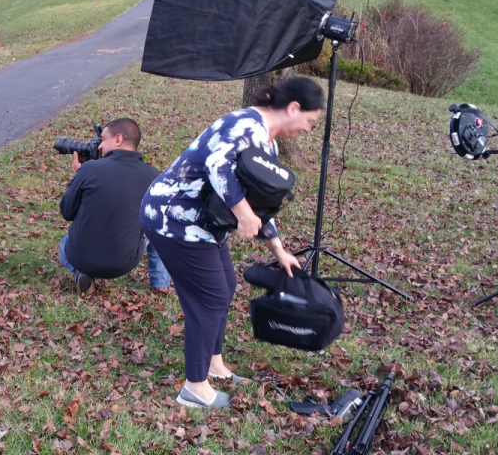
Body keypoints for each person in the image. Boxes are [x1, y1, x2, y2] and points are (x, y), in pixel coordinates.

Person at [141, 77, 324, 409]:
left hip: (203, 224)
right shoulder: (244, 125)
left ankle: (214, 365)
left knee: (224, 287)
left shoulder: (267, 143)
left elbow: (261, 200)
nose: (309, 129)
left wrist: (278, 249)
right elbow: (217, 165)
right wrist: (241, 213)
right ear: (294, 108)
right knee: (210, 299)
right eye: (310, 121)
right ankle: (194, 388)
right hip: (173, 217)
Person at [59, 118, 171, 295]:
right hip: (123, 263)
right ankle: (161, 284)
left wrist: (78, 176)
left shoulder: (89, 170)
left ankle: (81, 273)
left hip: (81, 258)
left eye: (103, 140)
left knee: (64, 243)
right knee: (158, 228)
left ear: (118, 139)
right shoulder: (152, 175)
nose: (99, 146)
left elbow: (67, 212)